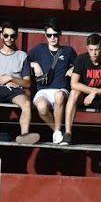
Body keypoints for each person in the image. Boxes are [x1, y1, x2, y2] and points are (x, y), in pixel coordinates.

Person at [27, 18, 76, 146]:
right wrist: (34, 64)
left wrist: (73, 68)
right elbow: (23, 62)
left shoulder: (68, 51)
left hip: (61, 89)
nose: (52, 38)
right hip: (43, 90)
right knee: (42, 107)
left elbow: (80, 66)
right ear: (45, 35)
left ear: (60, 34)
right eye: (49, 35)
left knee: (58, 96)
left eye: (55, 34)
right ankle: (57, 131)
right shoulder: (39, 49)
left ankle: (58, 131)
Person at [64, 32, 101, 145]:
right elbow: (73, 83)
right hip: (84, 98)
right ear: (87, 48)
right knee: (74, 92)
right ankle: (67, 134)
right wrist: (92, 91)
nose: (93, 53)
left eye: (97, 49)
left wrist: (96, 93)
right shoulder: (81, 59)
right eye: (91, 49)